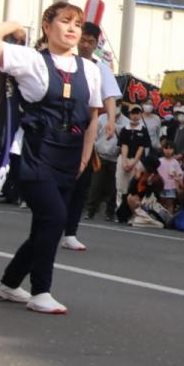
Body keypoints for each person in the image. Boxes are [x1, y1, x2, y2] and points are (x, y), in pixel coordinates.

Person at [0, 3, 101, 314]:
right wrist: (13, 24)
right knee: (55, 218)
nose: (73, 29)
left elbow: (92, 117)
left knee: (48, 224)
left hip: (70, 153)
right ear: (47, 26)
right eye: (65, 21)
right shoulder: (31, 60)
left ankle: (9, 283)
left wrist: (85, 157)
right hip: (34, 152)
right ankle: (41, 290)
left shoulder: (91, 69)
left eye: (78, 23)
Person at [60, 21, 119, 251]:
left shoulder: (99, 67)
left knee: (81, 182)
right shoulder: (65, 60)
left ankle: (70, 233)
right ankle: (54, 224)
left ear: (96, 44)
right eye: (83, 40)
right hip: (60, 128)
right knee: (61, 182)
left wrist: (112, 120)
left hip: (86, 131)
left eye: (90, 42)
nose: (85, 45)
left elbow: (110, 96)